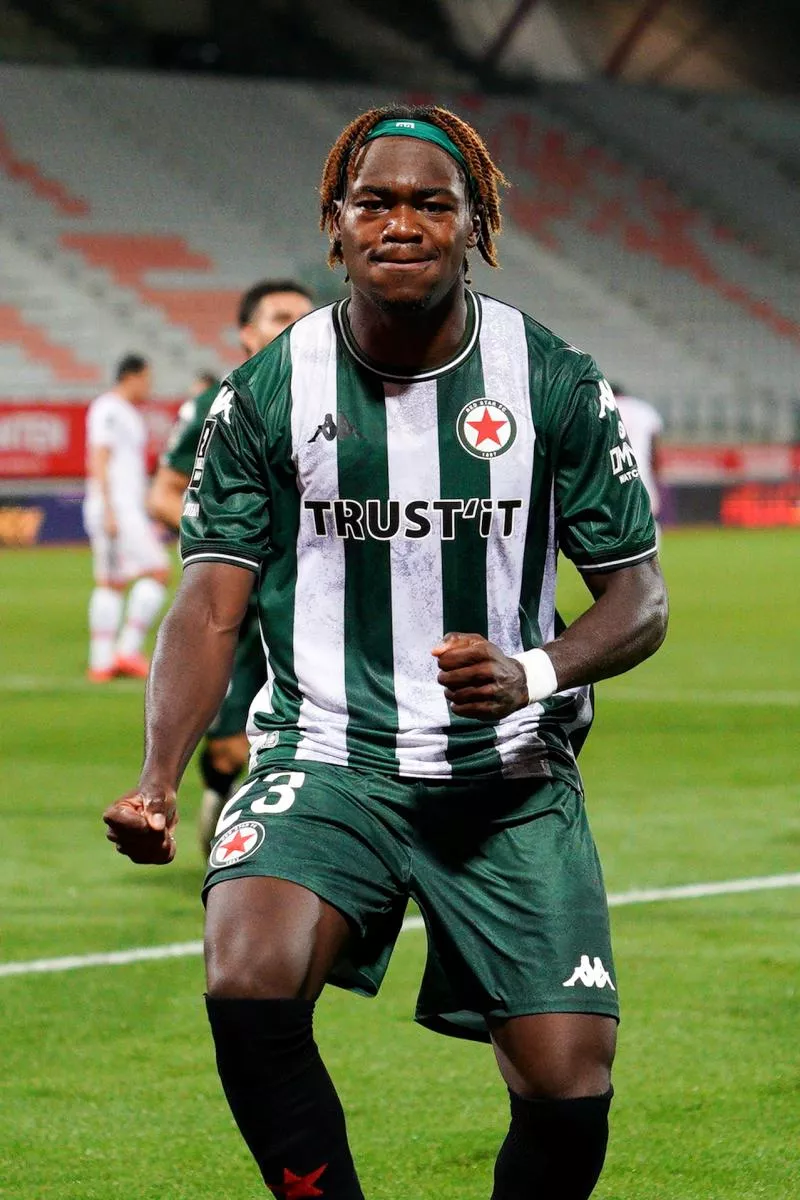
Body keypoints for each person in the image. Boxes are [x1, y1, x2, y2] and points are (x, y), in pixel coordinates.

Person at [104, 105, 668, 1200]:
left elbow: (638, 599)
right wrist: (158, 781)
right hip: (327, 758)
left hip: (505, 776)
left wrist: (533, 670)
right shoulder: (266, 391)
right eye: (374, 201)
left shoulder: (549, 380)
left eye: (429, 203)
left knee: (565, 1087)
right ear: (336, 221)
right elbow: (208, 605)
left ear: (474, 224)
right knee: (246, 975)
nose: (399, 222)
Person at [148, 281, 314, 851]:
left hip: (308, 600)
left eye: (305, 316)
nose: (296, 325)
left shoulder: (337, 401)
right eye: (280, 316)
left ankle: (278, 835)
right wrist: (224, 546)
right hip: (237, 601)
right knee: (225, 744)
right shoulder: (217, 404)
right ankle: (220, 790)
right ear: (248, 333)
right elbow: (165, 494)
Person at [83, 354, 169, 682]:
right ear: (130, 376)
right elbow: (99, 457)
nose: (149, 386)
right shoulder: (108, 408)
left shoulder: (128, 413)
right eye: (146, 378)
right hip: (115, 508)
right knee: (157, 571)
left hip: (125, 507)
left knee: (113, 581)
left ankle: (104, 661)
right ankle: (126, 651)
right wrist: (107, 508)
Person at [611, 384, 664, 522]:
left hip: (612, 471)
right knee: (649, 518)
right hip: (642, 470)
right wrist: (657, 474)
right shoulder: (644, 410)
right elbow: (654, 448)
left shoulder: (602, 407)